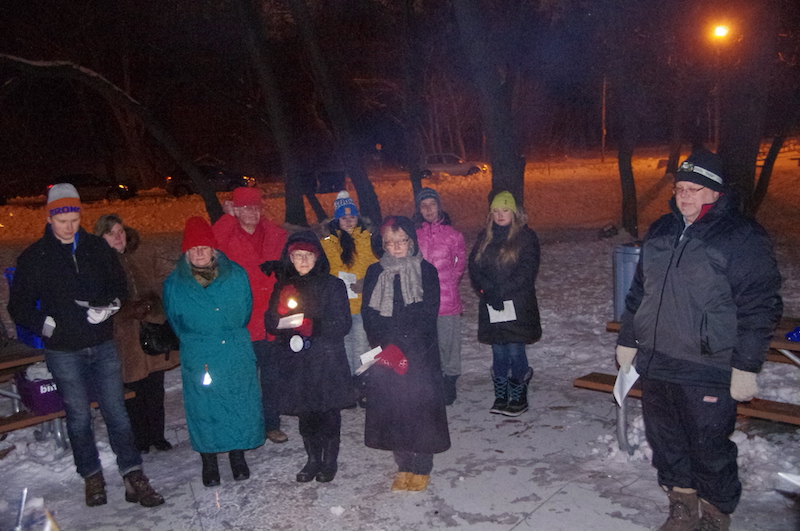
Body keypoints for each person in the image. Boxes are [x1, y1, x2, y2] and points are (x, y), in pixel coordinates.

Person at [615, 149, 782, 531]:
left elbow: (761, 304)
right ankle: (682, 505)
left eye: (693, 189)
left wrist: (746, 365)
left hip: (707, 364)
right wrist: (628, 338)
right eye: (679, 188)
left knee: (709, 445)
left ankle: (715, 512)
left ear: (716, 193)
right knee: (667, 440)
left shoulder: (741, 237)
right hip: (658, 360)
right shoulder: (661, 229)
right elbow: (641, 291)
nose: (683, 196)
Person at [7, 184, 164, 507]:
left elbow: (116, 285)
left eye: (74, 219)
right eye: (62, 220)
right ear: (50, 217)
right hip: (64, 350)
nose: (69, 226)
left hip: (102, 343)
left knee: (117, 412)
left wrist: (107, 307)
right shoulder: (36, 257)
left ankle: (132, 475)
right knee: (78, 416)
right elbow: (18, 306)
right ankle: (91, 475)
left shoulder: (96, 248)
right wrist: (44, 325)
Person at [163, 217, 265, 487]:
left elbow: (244, 311)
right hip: (200, 352)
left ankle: (237, 455)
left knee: (237, 402)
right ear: (186, 252)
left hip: (233, 348)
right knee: (203, 406)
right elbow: (175, 321)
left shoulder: (236, 275)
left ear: (214, 250)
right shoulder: (175, 284)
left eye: (204, 247)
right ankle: (209, 461)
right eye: (193, 248)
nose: (199, 252)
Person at [361, 216, 450, 492]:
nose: (397, 246)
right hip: (387, 351)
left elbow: (427, 314)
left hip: (420, 352)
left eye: (401, 241)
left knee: (420, 409)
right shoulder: (375, 272)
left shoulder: (426, 271)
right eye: (390, 242)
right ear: (383, 244)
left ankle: (422, 466)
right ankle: (403, 464)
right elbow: (369, 313)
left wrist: (408, 348)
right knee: (394, 411)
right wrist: (385, 347)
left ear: (411, 241)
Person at [264, 231, 353, 483]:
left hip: (326, 360)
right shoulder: (283, 285)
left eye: (308, 256)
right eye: (297, 256)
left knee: (328, 412)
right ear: (289, 257)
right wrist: (283, 321)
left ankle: (329, 461)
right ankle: (313, 459)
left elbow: (342, 323)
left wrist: (313, 326)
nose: (302, 261)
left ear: (317, 257)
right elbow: (270, 323)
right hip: (297, 362)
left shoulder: (332, 285)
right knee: (306, 413)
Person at [94, 214, 180, 455]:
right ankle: (140, 438)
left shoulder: (142, 254)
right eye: (111, 233)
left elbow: (164, 283)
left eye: (120, 231)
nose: (118, 237)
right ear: (101, 238)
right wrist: (126, 311)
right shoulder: (98, 264)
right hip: (123, 338)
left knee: (154, 386)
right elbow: (97, 304)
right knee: (133, 390)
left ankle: (157, 435)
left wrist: (153, 305)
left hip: (151, 330)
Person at [212, 186, 288, 444]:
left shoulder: (275, 235)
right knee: (243, 379)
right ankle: (249, 424)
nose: (253, 212)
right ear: (236, 209)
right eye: (246, 207)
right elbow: (210, 244)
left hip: (271, 318)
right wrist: (227, 217)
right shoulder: (227, 236)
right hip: (242, 320)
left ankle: (272, 423)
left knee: (272, 376)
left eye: (256, 207)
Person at [468, 190, 541, 417]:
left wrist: (501, 292)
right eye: (496, 211)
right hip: (491, 304)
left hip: (517, 305)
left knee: (515, 350)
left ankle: (518, 393)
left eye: (505, 210)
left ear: (514, 213)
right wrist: (485, 290)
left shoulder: (526, 238)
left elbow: (526, 272)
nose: (500, 215)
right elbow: (474, 267)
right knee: (498, 351)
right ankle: (501, 394)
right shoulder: (485, 237)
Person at [319, 191, 377, 404]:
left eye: (352, 216)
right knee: (343, 347)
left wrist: (365, 283)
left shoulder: (367, 239)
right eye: (344, 217)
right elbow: (324, 271)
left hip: (362, 303)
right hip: (339, 306)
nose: (349, 220)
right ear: (337, 219)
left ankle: (363, 385)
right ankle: (347, 388)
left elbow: (377, 267)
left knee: (362, 346)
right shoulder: (327, 243)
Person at [413, 187, 466, 405]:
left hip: (447, 300)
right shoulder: (414, 236)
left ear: (439, 206)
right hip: (423, 302)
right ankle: (432, 381)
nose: (428, 209)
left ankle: (449, 380)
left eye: (432, 204)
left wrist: (448, 285)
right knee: (428, 344)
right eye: (423, 206)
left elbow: (459, 265)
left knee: (448, 344)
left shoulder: (453, 236)